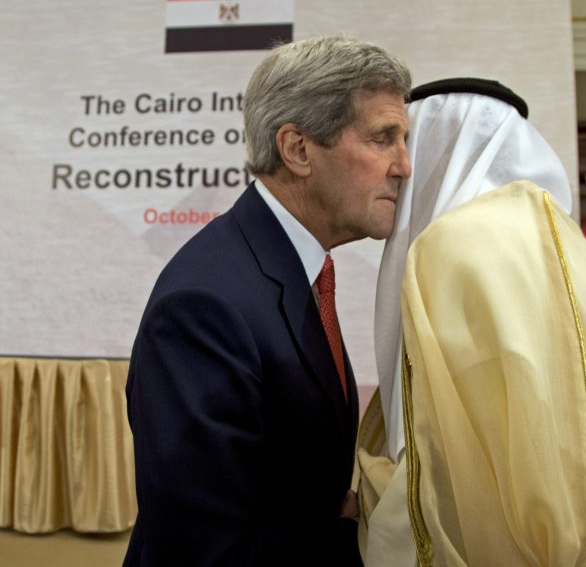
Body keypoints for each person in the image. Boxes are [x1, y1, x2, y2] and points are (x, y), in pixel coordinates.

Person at [358, 78, 586, 565]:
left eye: (407, 142)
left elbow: (446, 461)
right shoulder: (572, 249)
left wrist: (367, 481)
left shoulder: (455, 247)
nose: (401, 167)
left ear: (442, 145)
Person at [124, 35, 412, 566]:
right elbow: (201, 551)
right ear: (298, 150)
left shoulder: (292, 266)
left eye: (405, 141)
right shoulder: (203, 307)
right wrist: (357, 539)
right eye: (382, 139)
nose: (404, 166)